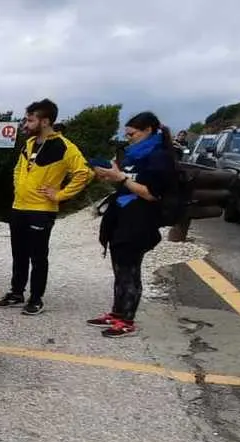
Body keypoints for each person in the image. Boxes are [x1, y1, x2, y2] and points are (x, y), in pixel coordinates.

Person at [0, 99, 92, 315]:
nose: (26, 124)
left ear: (45, 121)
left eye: (30, 120)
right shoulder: (29, 144)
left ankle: (36, 298)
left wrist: (60, 194)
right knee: (18, 253)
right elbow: (18, 169)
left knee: (38, 256)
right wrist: (18, 187)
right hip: (19, 206)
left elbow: (84, 173)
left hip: (41, 210)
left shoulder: (64, 146)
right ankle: (16, 292)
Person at [87, 111, 179, 339]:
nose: (128, 139)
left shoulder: (159, 157)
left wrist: (122, 179)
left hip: (140, 221)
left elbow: (151, 194)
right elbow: (127, 181)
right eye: (126, 135)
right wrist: (111, 175)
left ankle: (127, 320)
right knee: (120, 269)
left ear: (148, 130)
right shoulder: (134, 154)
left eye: (132, 134)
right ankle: (117, 313)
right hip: (122, 217)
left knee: (130, 271)